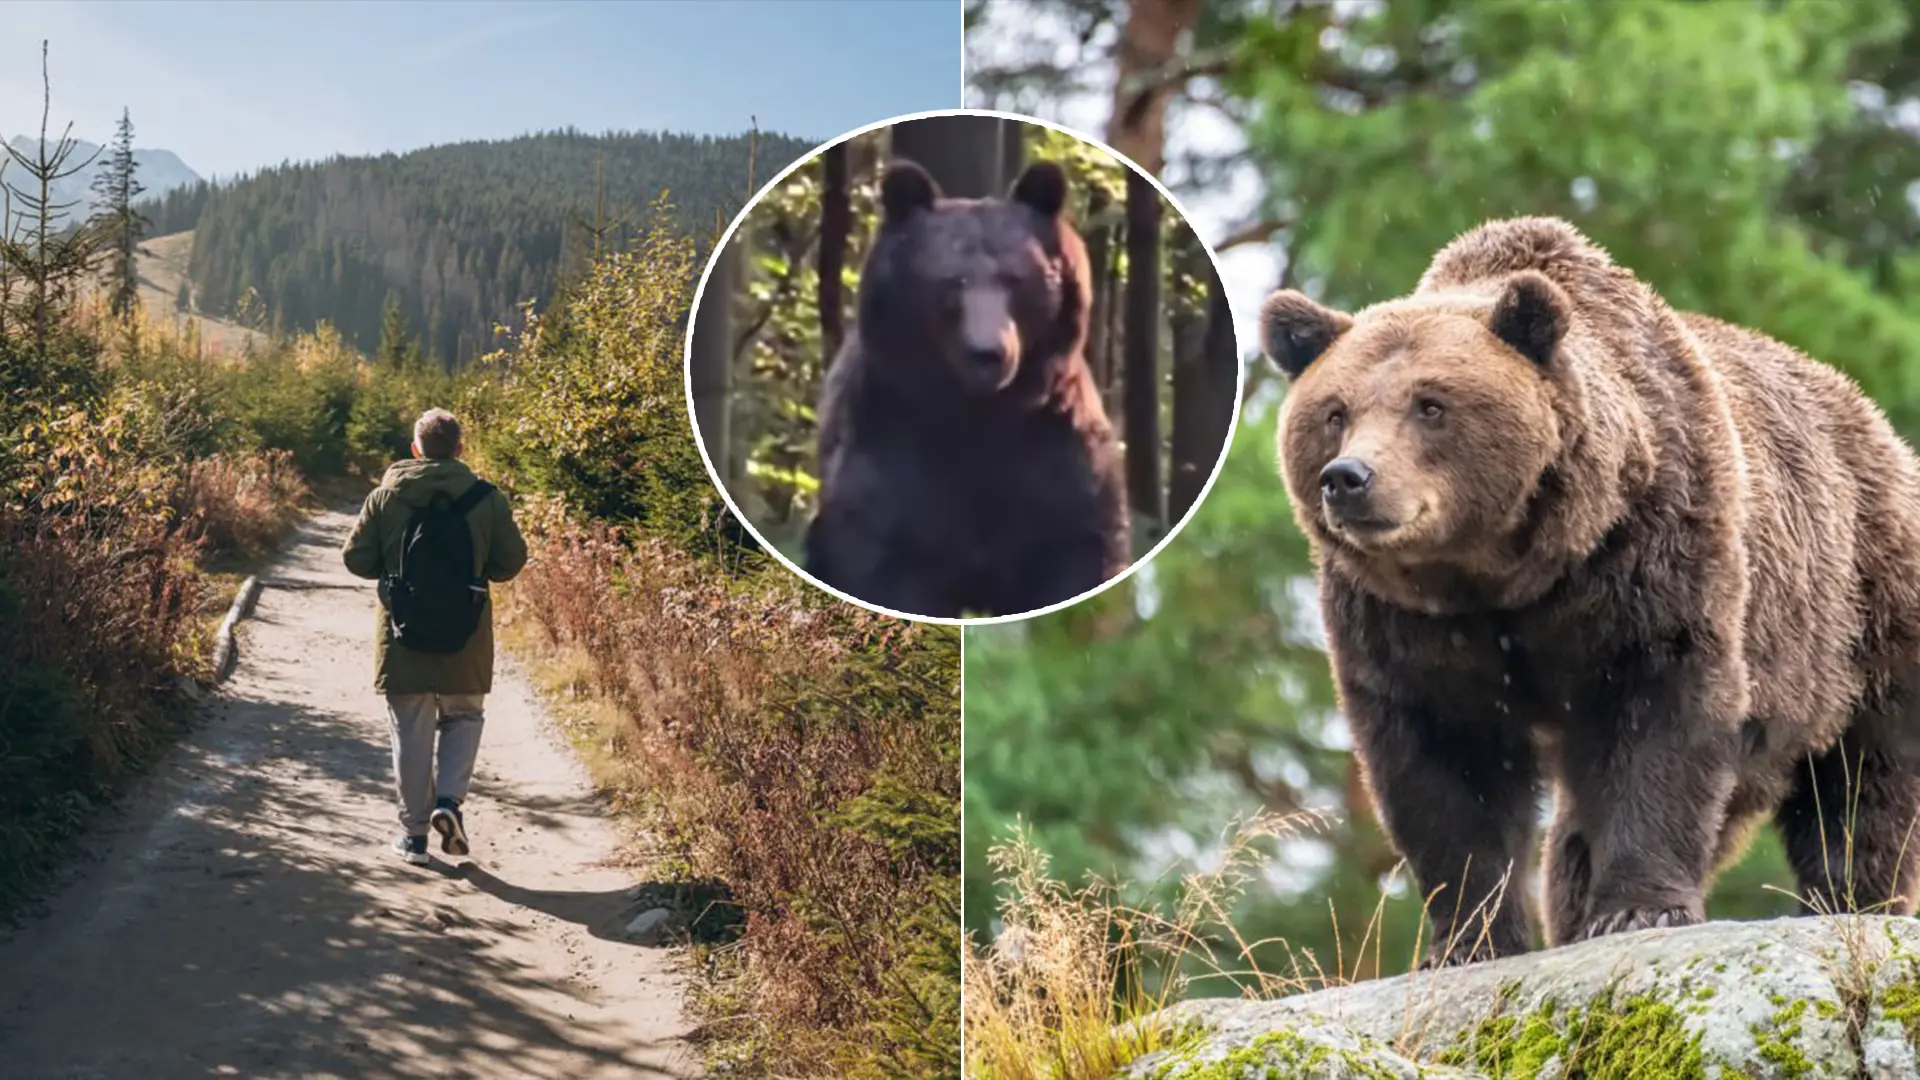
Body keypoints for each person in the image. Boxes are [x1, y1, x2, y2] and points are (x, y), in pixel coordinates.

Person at [343, 408, 527, 865]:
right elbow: (509, 562)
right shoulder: (486, 498)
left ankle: (414, 837)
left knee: (410, 731)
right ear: (459, 450)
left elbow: (356, 559)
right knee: (464, 716)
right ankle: (449, 802)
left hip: (401, 634)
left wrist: (393, 570)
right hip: (467, 633)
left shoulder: (385, 497)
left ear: (415, 449)